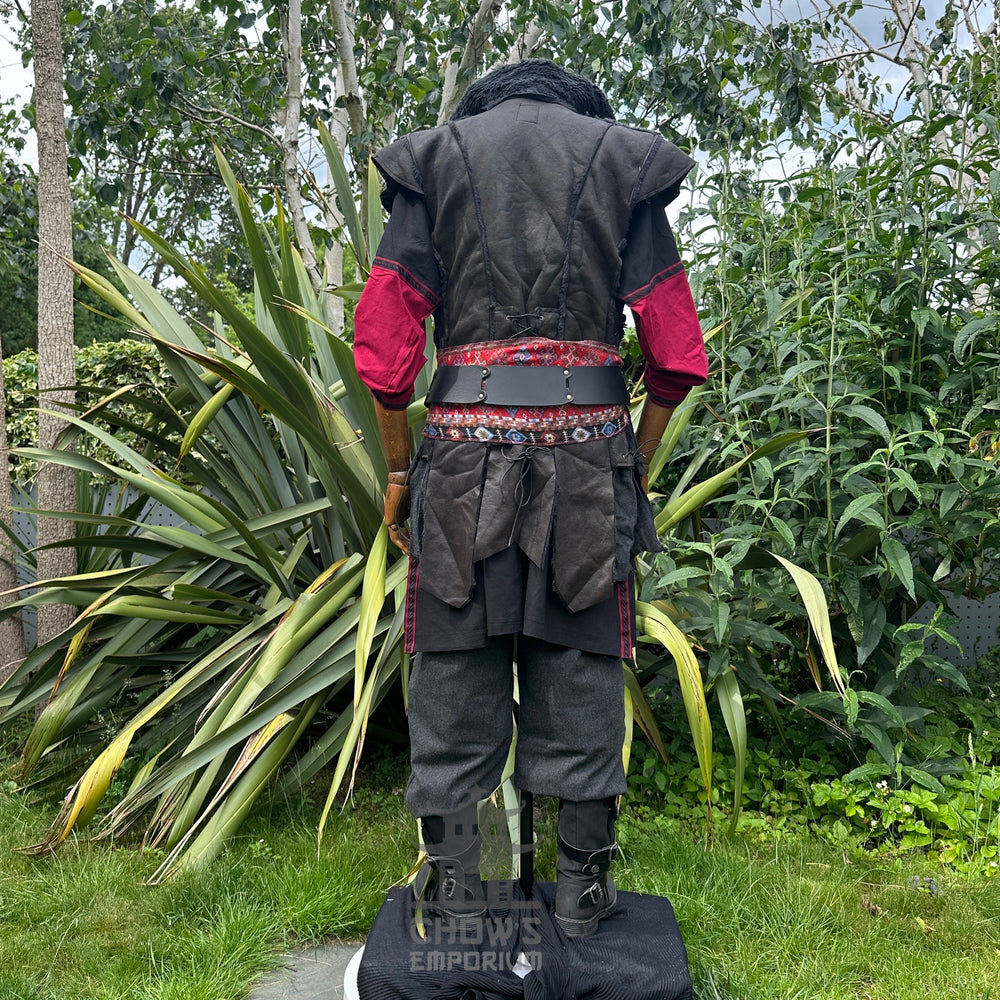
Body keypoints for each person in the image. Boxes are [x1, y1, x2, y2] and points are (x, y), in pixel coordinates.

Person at [353, 59, 707, 938]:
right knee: (583, 661)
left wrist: (400, 473)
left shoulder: (434, 162)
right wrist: (639, 464)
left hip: (461, 464)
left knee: (455, 661)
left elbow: (383, 346)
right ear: (579, 109)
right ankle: (584, 899)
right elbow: (675, 354)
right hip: (590, 464)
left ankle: (459, 896)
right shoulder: (622, 162)